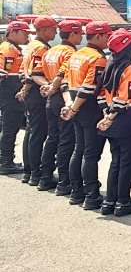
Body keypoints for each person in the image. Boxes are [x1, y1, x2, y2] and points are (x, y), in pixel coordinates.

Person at [61, 21, 111, 209]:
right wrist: (73, 107)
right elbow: (89, 87)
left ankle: (76, 192)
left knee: (78, 149)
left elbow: (65, 83)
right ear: (98, 36)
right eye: (106, 35)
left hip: (75, 105)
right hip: (89, 108)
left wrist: (70, 105)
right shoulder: (97, 58)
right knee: (90, 153)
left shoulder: (76, 55)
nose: (108, 39)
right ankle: (91, 195)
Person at [96, 29, 131, 217]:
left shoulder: (110, 64)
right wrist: (110, 117)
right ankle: (123, 201)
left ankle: (110, 201)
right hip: (125, 119)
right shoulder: (129, 67)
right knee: (129, 162)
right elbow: (124, 97)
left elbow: (100, 94)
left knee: (116, 162)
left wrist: (106, 115)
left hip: (112, 121)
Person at [38, 20, 83, 194]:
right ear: (72, 34)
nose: (81, 37)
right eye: (79, 33)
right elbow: (63, 75)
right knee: (66, 141)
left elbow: (38, 73)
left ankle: (45, 176)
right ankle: (64, 181)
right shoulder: (70, 52)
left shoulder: (50, 51)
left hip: (51, 100)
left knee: (52, 138)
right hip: (64, 98)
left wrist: (49, 88)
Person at [17, 16, 57, 187]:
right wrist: (48, 86)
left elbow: (22, 71)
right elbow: (35, 73)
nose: (55, 32)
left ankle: (28, 171)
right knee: (38, 133)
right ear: (44, 30)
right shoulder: (41, 48)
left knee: (32, 132)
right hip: (37, 91)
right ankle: (35, 173)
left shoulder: (30, 46)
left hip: (30, 91)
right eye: (53, 28)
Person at [0, 21, 31, 176]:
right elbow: (1, 73)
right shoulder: (9, 49)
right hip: (9, 94)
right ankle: (5, 162)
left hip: (10, 93)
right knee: (9, 128)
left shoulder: (13, 48)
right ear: (12, 32)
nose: (27, 35)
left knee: (10, 128)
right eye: (24, 32)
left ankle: (6, 160)